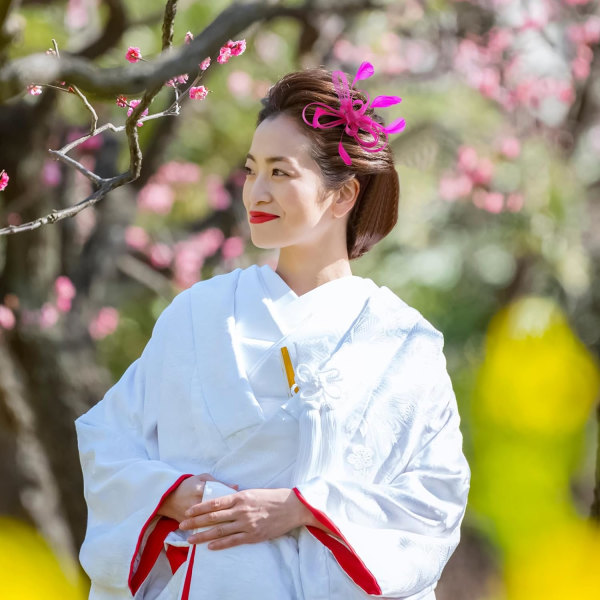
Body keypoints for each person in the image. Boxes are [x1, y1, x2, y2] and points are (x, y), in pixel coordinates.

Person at [74, 62, 471, 600]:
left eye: (281, 173)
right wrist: (177, 494)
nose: (256, 193)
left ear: (343, 195)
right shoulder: (197, 314)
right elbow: (108, 441)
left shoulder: (405, 344)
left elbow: (434, 497)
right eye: (251, 170)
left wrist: (296, 509)